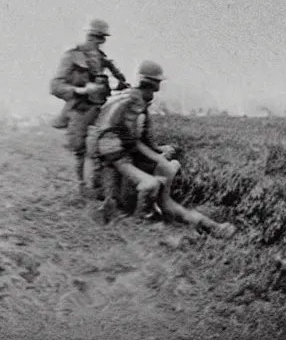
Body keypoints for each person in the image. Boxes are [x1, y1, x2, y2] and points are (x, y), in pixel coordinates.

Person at [86, 60, 235, 239]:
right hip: (113, 155)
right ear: (148, 83)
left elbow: (140, 139)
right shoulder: (132, 102)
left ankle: (211, 226)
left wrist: (158, 154)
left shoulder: (135, 101)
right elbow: (129, 140)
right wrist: (158, 157)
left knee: (163, 200)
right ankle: (142, 222)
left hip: (116, 154)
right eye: (155, 84)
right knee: (140, 191)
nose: (155, 91)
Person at [50, 19, 128, 196]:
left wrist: (118, 86)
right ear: (88, 35)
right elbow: (55, 86)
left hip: (100, 109)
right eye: (95, 37)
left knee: (102, 149)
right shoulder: (72, 56)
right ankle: (82, 189)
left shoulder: (103, 60)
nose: (98, 41)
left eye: (101, 38)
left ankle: (99, 188)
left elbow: (116, 84)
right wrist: (81, 90)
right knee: (80, 150)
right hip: (80, 109)